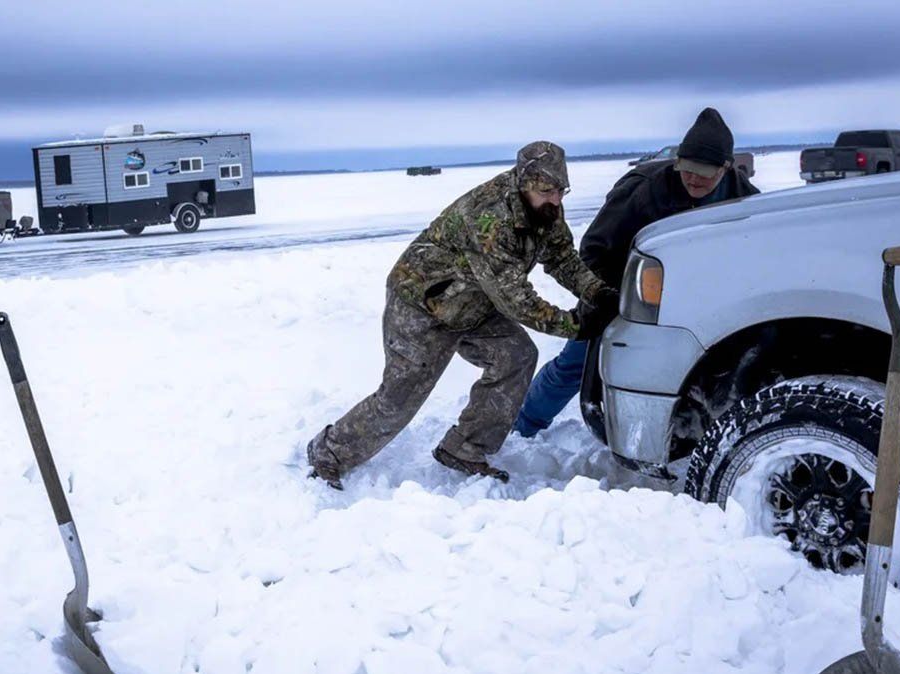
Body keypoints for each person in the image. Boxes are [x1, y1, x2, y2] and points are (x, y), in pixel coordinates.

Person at [306, 141, 618, 489]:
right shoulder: (490, 219)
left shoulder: (545, 209)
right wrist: (576, 325)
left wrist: (596, 292)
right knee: (400, 396)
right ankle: (328, 453)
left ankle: (466, 448)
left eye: (561, 190)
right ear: (524, 183)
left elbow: (562, 259)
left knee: (516, 356)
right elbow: (517, 300)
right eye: (547, 191)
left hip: (475, 302)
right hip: (422, 304)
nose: (556, 200)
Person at [513, 107, 760, 438]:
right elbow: (594, 250)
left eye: (704, 172)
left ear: (726, 168)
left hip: (692, 302)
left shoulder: (742, 198)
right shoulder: (645, 190)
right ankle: (523, 425)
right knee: (575, 364)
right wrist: (609, 297)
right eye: (687, 169)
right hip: (619, 289)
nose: (693, 179)